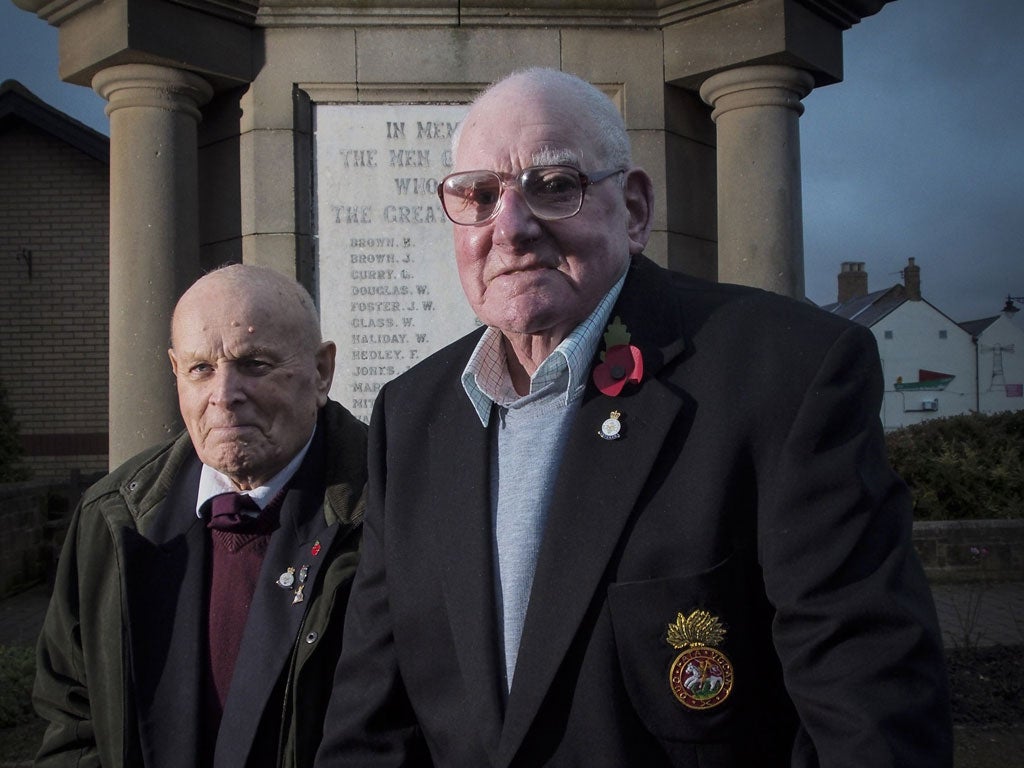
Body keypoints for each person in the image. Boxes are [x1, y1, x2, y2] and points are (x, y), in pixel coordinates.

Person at [314, 68, 952, 767]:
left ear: (636, 209)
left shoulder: (786, 375)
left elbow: (869, 720)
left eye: (554, 186)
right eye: (479, 195)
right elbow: (371, 725)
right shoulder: (411, 415)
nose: (512, 228)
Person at [33, 264, 368, 768]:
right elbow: (73, 723)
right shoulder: (112, 521)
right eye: (200, 369)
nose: (224, 395)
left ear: (321, 371)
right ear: (175, 373)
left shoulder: (387, 510)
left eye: (255, 364)